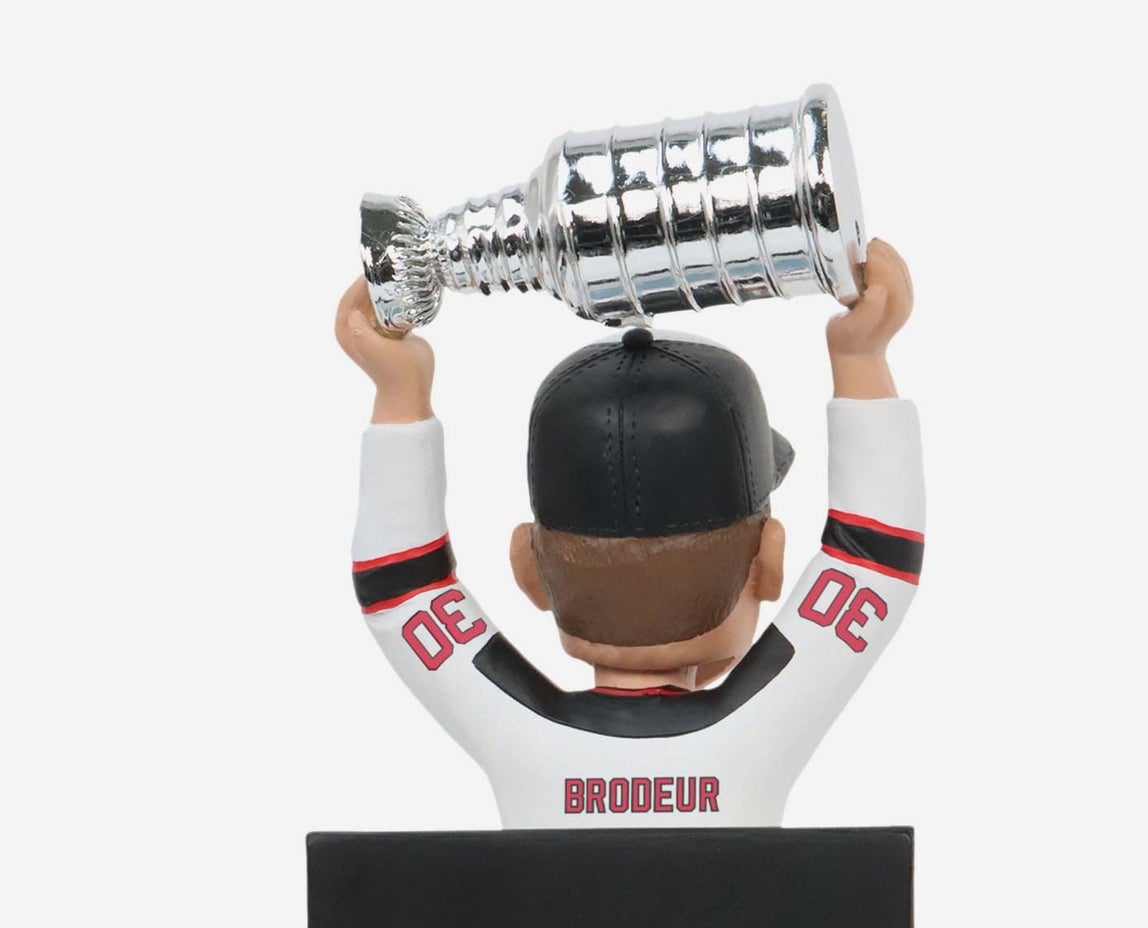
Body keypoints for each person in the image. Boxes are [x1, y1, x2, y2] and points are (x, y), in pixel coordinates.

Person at [335, 243, 923, 828]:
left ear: (529, 571)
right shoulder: (762, 724)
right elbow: (872, 558)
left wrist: (399, 390)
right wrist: (861, 355)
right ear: (768, 562)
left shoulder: (519, 732)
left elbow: (401, 588)